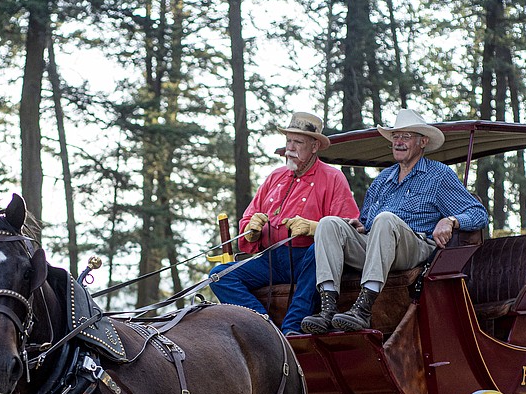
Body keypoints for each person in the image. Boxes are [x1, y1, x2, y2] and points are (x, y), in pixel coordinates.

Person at [295, 108, 489, 334]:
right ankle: (328, 309)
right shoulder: (382, 180)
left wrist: (451, 220)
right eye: (395, 137)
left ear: (423, 142)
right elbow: (367, 222)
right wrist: (359, 226)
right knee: (329, 223)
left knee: (386, 220)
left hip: (414, 246)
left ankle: (363, 309)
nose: (399, 142)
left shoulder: (439, 175)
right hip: (378, 246)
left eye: (406, 136)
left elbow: (478, 213)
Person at [209, 111, 360, 335]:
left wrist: (313, 227)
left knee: (318, 252)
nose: (290, 146)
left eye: (298, 141)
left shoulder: (332, 177)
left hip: (307, 260)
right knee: (219, 276)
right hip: (271, 259)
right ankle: (265, 328)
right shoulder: (275, 177)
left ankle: (292, 328)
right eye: (288, 140)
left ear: (315, 146)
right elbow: (248, 221)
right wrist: (251, 231)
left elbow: (348, 229)